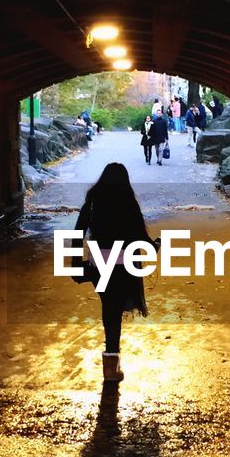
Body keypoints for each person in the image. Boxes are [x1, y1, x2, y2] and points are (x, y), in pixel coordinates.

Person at [75, 163, 153, 383]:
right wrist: (153, 245)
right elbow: (139, 233)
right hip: (124, 264)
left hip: (99, 264)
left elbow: (77, 232)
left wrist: (74, 262)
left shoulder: (92, 202)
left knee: (108, 308)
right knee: (115, 311)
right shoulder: (128, 202)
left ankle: (110, 363)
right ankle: (111, 364)